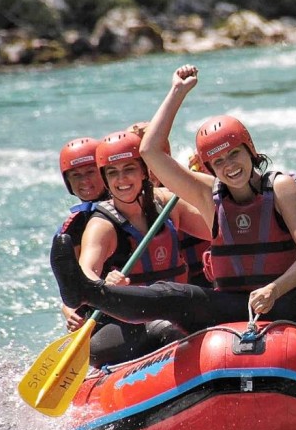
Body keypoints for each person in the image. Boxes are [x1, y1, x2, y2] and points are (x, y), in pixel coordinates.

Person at [48, 65, 296, 337]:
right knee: (173, 297)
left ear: (250, 151)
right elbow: (150, 152)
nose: (228, 166)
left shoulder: (280, 186)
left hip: (289, 300)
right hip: (230, 304)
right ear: (209, 167)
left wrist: (275, 289)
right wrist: (177, 93)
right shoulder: (206, 193)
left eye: (234, 155)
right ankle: (86, 292)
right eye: (217, 161)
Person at [77, 130, 212, 366]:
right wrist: (103, 285)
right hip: (126, 325)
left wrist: (202, 180)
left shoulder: (169, 204)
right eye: (112, 172)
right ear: (105, 179)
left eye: (129, 169)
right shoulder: (102, 225)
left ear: (144, 171)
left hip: (175, 311)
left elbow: (217, 230)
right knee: (170, 328)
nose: (121, 180)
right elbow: (85, 271)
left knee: (185, 321)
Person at [127, 120, 212, 288]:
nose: (148, 171)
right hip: (160, 292)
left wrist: (210, 173)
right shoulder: (119, 203)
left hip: (206, 283)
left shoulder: (190, 185)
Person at [54, 137, 108, 333]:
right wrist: (69, 311)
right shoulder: (70, 231)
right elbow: (70, 291)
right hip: (106, 312)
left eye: (90, 172)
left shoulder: (134, 205)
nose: (84, 181)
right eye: (76, 175)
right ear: (68, 182)